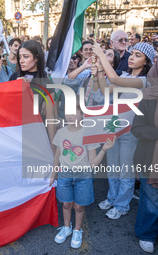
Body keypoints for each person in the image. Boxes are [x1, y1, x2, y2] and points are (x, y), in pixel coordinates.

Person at [93, 42, 155, 219]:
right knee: (112, 168)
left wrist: (102, 56)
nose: (132, 57)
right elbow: (105, 90)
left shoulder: (144, 81)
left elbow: (113, 80)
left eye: (138, 55)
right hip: (114, 128)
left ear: (146, 61)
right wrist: (98, 71)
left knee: (125, 171)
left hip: (130, 133)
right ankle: (112, 198)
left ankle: (122, 205)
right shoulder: (126, 74)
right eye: (132, 54)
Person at [49, 98, 116, 249]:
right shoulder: (61, 132)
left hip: (83, 176)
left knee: (79, 207)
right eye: (67, 112)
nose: (69, 115)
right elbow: (57, 156)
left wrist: (104, 149)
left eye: (74, 112)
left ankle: (77, 230)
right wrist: (53, 174)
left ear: (82, 114)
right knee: (66, 204)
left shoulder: (88, 133)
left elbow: (93, 163)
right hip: (65, 174)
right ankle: (67, 227)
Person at [131, 50, 158, 255]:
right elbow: (137, 129)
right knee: (152, 200)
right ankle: (146, 234)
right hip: (152, 157)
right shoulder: (149, 95)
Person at [9, 40, 56, 151]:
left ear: (36, 58)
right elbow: (8, 108)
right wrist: (15, 87)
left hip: (36, 134)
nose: (21, 61)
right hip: (15, 133)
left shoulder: (46, 83)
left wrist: (53, 147)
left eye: (26, 57)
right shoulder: (14, 78)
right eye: (19, 57)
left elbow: (50, 118)